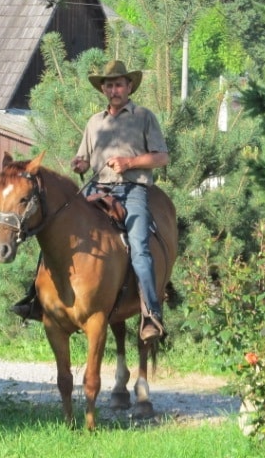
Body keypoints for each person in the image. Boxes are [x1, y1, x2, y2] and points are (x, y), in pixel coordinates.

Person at [12, 60, 170, 341]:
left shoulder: (144, 117)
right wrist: (80, 164)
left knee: (139, 246)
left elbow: (161, 157)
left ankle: (151, 315)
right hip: (97, 190)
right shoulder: (94, 122)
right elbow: (83, 157)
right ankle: (36, 300)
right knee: (55, 229)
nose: (114, 89)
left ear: (129, 86)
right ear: (103, 89)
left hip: (132, 190)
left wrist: (130, 161)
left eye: (119, 84)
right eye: (108, 85)